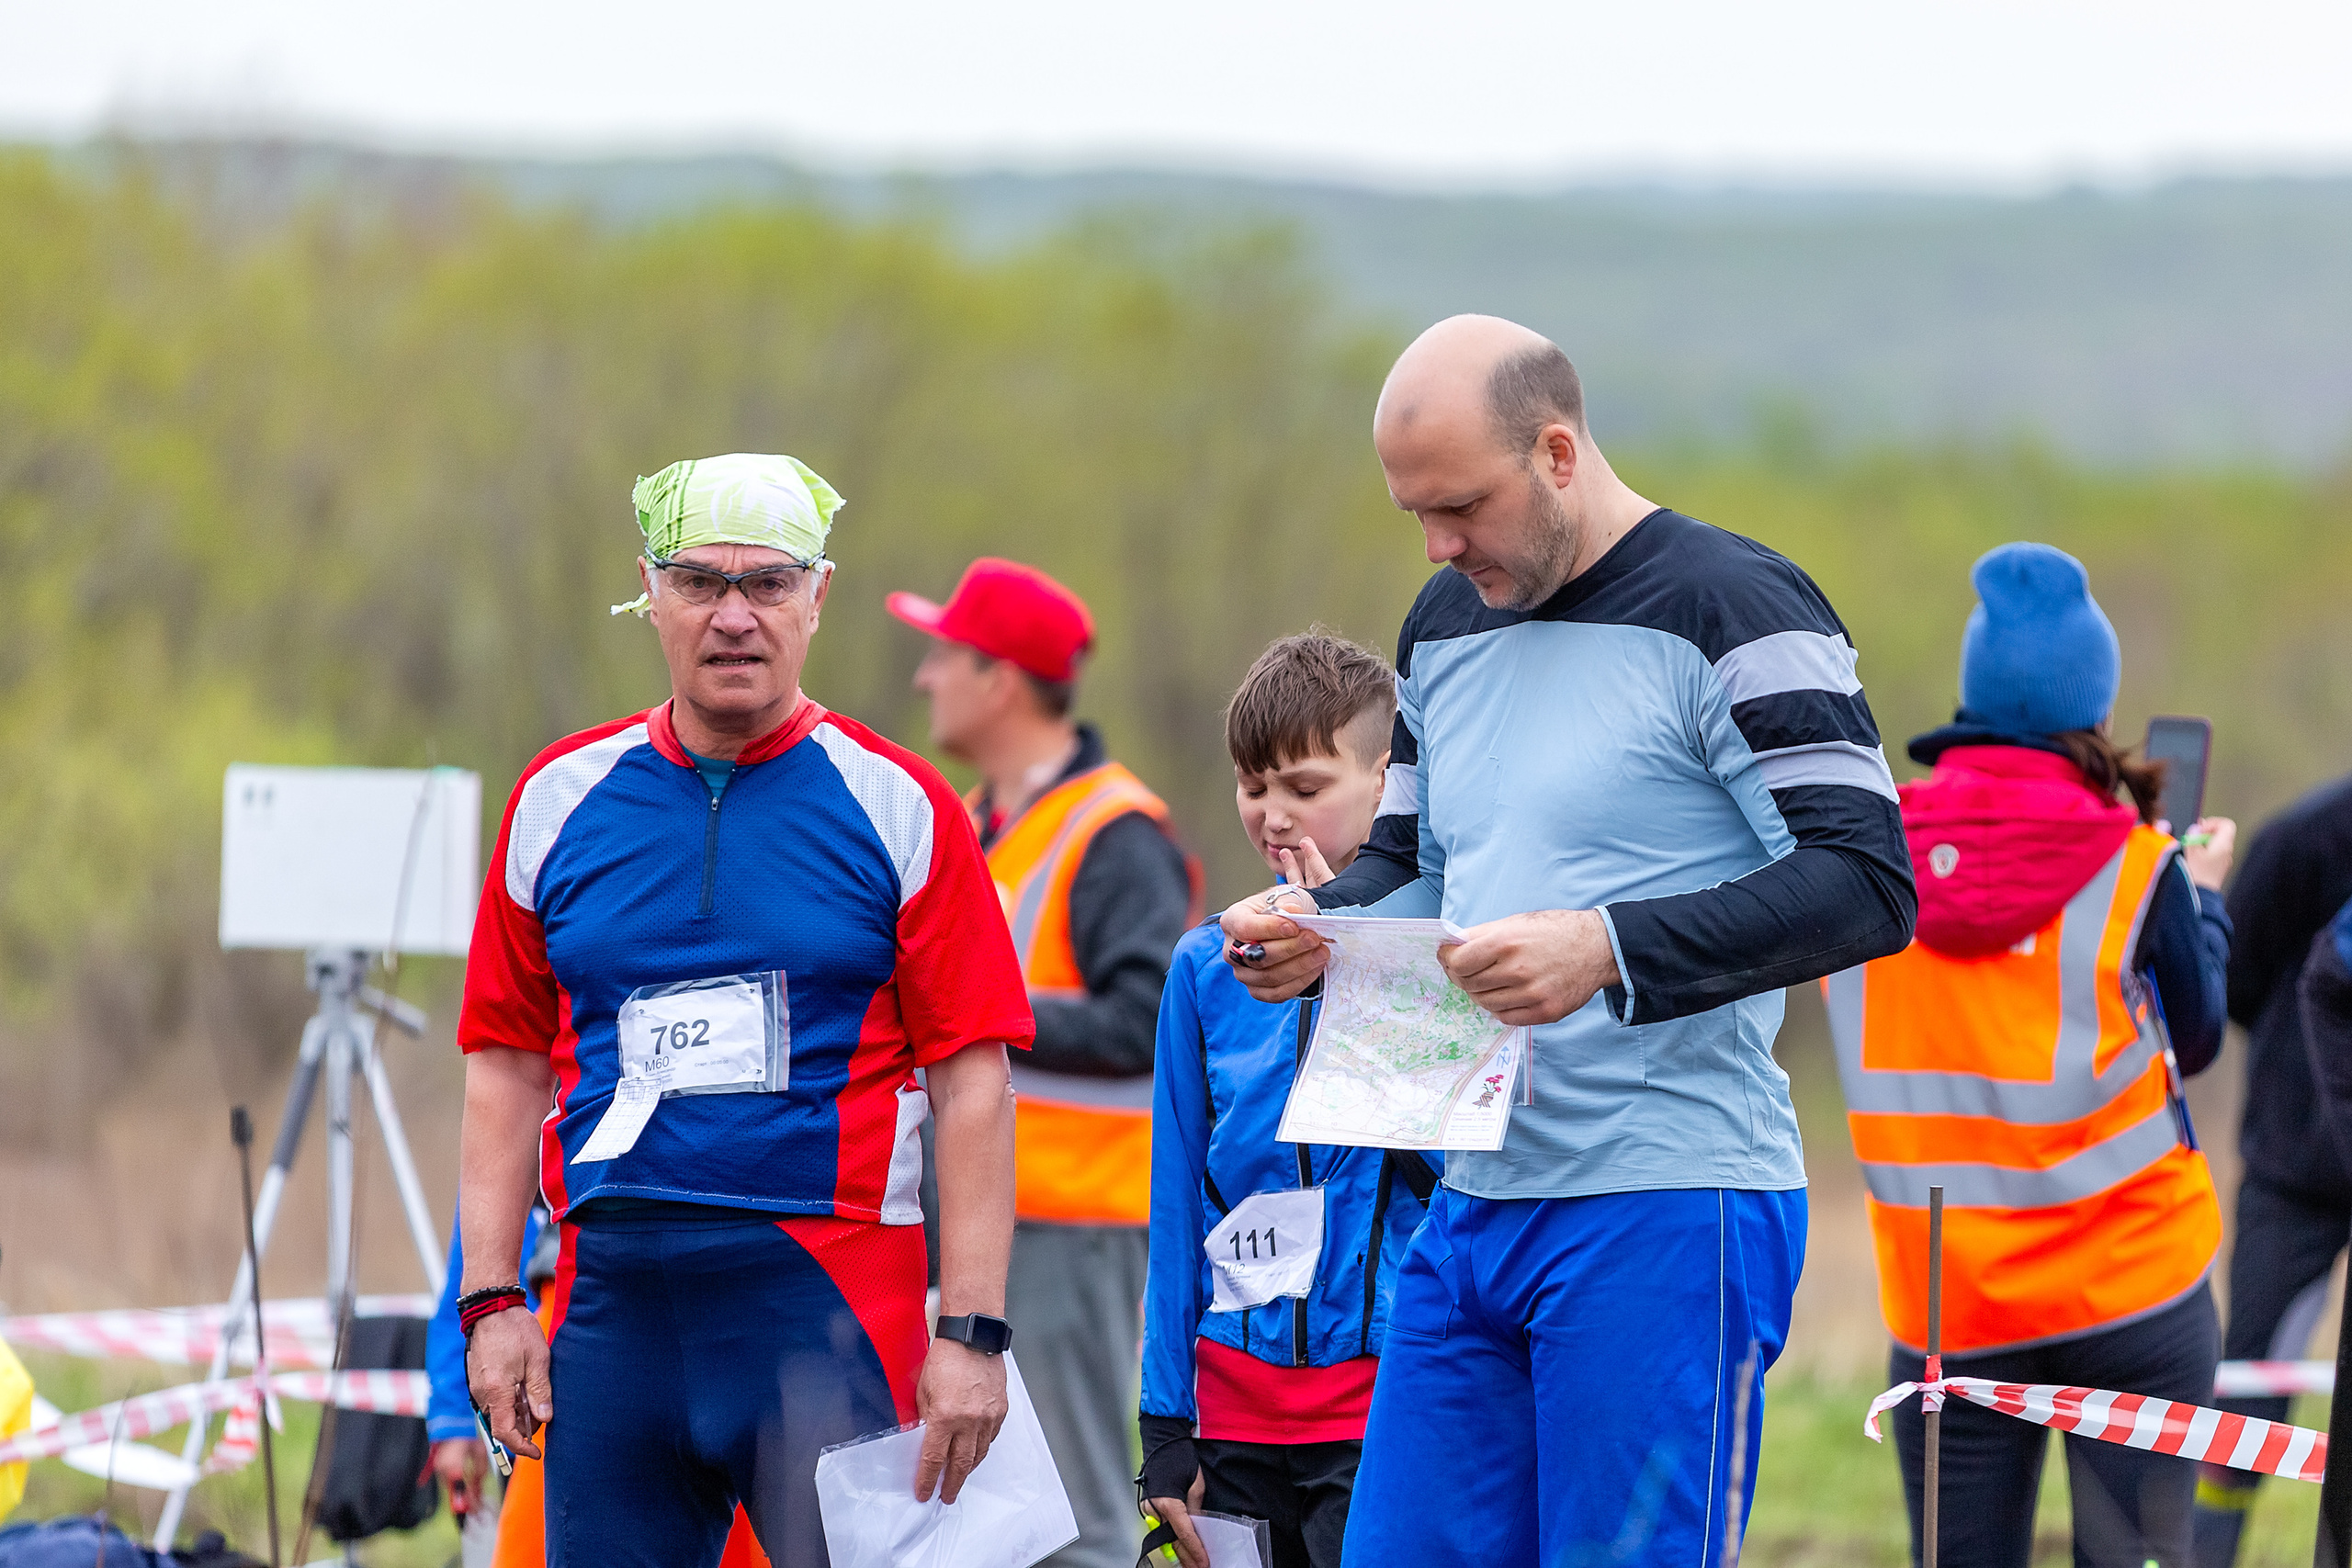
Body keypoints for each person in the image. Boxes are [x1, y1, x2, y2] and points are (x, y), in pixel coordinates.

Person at [1219, 315, 1917, 1566]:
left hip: (1666, 1200)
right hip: (1473, 1200)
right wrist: (1313, 925)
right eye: (1415, 513)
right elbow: (1412, 860)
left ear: (1556, 450)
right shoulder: (1446, 618)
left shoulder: (1738, 606)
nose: (1439, 544)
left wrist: (1608, 947)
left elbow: (1869, 881)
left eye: (1463, 507)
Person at [458, 453, 1032, 1567]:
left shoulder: (899, 806)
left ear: (819, 596)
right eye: (699, 582)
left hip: (828, 1307)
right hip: (614, 1314)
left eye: (769, 585)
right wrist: (489, 1302)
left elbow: (974, 1083)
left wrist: (970, 1332)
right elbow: (503, 1061)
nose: (734, 617)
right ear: (648, 592)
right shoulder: (557, 798)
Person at [1824, 542, 2236, 1568]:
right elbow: (2197, 1038)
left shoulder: (1862, 861)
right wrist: (2204, 898)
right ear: (2093, 714)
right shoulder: (2143, 868)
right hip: (2134, 1294)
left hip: (1946, 1307)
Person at [888, 558, 1198, 1568]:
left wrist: (967, 1015)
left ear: (1002, 679)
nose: (926, 677)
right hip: (976, 1222)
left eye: (943, 654)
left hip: (1070, 1222)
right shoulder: (970, 825)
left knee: (1074, 1526)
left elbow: (1149, 1017)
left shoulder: (1114, 833)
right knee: (972, 1519)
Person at [1137, 632, 1436, 1568]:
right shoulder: (1202, 967)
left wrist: (1356, 967)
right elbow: (1176, 1196)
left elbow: (1448, 1172)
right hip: (1232, 1413)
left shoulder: (1435, 957)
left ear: (1384, 782)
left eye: (1303, 788)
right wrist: (1162, 1422)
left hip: (1383, 1404)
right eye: (1251, 784)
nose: (1272, 814)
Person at [2192, 772, 2352, 1566]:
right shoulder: (2301, 840)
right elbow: (2235, 982)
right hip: (2295, 1165)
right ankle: (2207, 1549)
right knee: (2246, 1377)